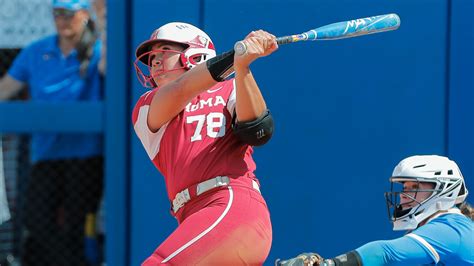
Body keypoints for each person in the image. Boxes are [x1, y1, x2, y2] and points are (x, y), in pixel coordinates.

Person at [132, 22, 277, 265]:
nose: (155, 62)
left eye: (165, 52)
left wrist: (242, 67)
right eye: (153, 57)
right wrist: (236, 55)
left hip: (231, 205)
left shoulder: (229, 89)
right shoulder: (147, 106)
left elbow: (259, 131)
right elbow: (181, 89)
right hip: (192, 216)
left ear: (196, 55)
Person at [0, 0, 105, 265]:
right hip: (46, 154)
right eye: (57, 14)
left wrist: (104, 22)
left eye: (69, 14)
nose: (62, 20)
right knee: (36, 219)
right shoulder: (37, 51)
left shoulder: (97, 49)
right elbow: (6, 89)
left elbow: (108, 71)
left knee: (79, 221)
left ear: (84, 15)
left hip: (86, 156)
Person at [277, 155, 473, 266]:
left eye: (415, 187)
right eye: (405, 188)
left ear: (444, 189)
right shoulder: (449, 227)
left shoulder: (450, 228)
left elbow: (386, 253)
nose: (404, 195)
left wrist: (330, 265)